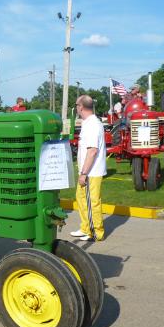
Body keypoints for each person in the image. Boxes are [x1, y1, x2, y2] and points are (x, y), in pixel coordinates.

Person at [70, 95, 107, 241]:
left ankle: (95, 232)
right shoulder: (89, 123)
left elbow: (92, 151)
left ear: (81, 107)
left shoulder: (92, 124)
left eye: (76, 105)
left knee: (91, 202)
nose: (76, 108)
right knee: (82, 199)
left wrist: (84, 173)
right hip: (87, 171)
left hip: (91, 172)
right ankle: (86, 227)